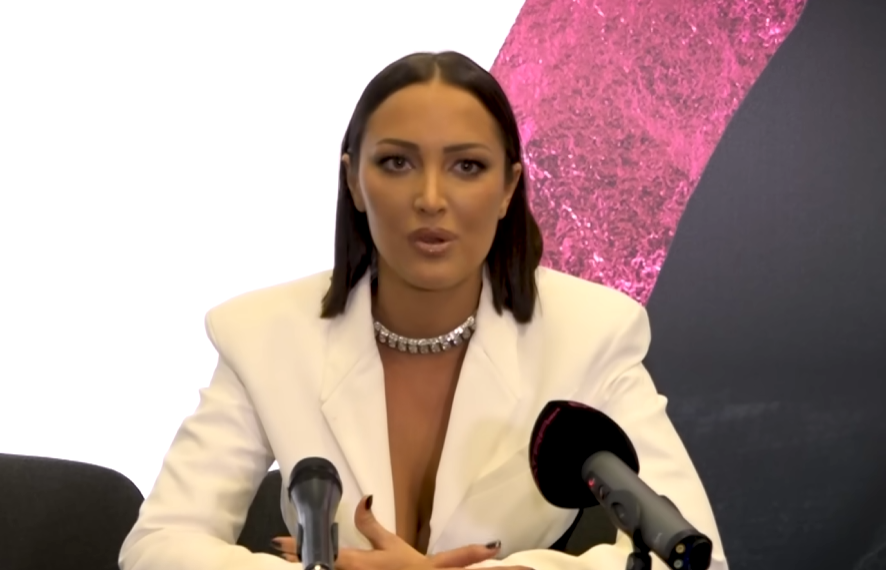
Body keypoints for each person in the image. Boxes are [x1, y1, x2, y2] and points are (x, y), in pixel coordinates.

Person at [118, 51, 728, 570]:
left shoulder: (592, 331)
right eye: (396, 163)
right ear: (353, 182)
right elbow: (158, 546)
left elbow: (696, 554)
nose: (431, 199)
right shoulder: (263, 333)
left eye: (467, 166)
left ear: (508, 189)